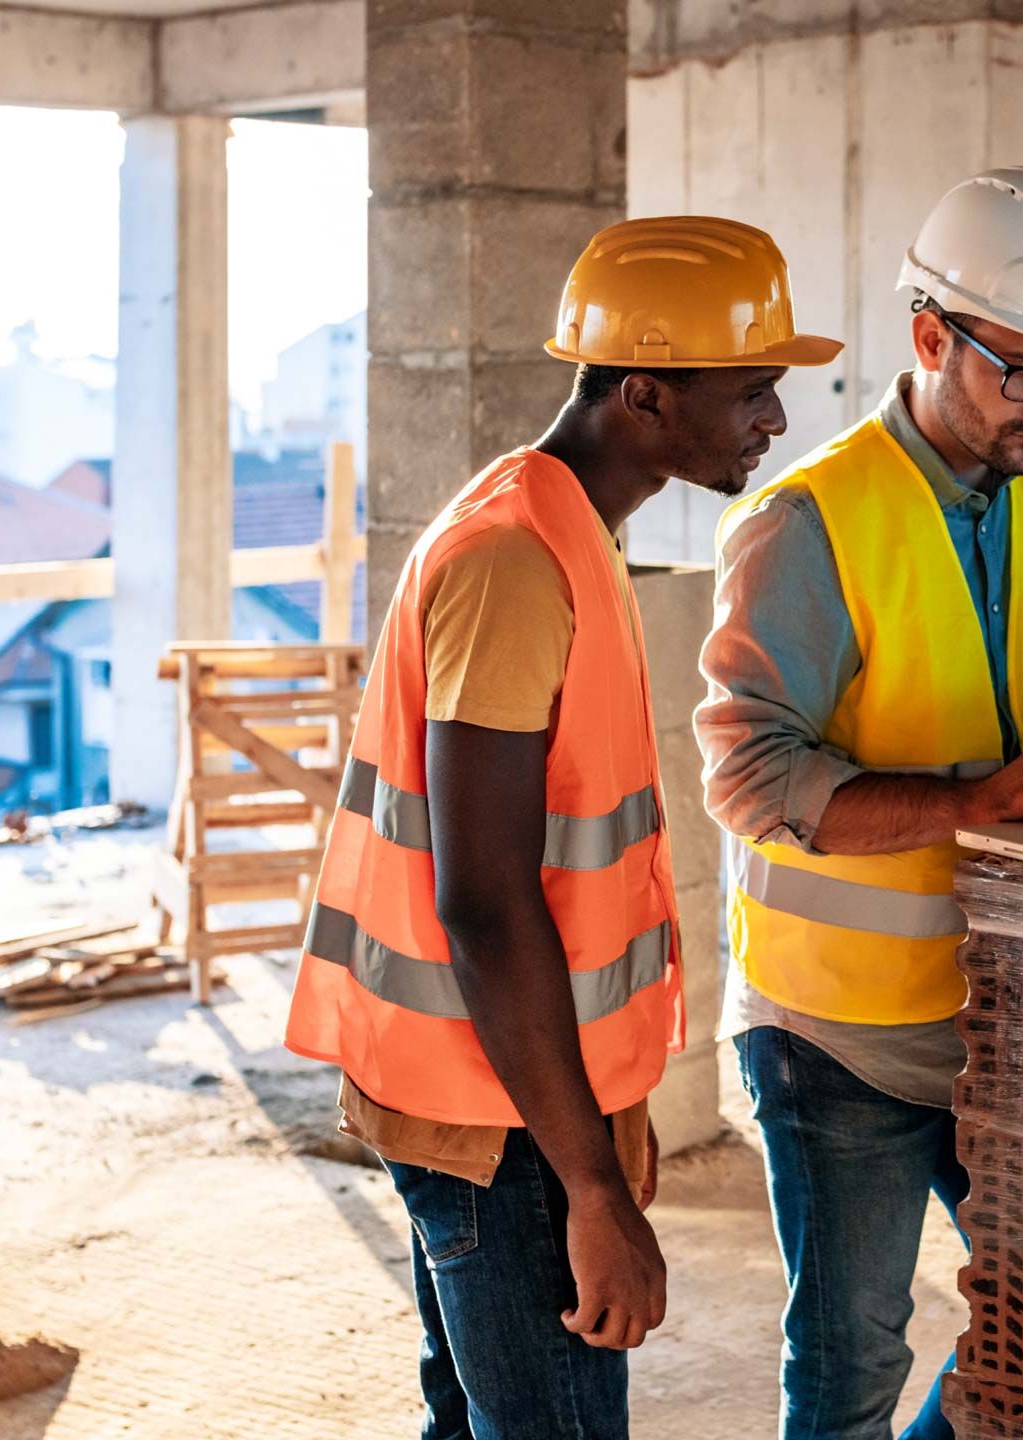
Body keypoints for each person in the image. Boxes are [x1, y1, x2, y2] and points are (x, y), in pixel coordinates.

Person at [285, 216, 839, 1440]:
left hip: (516, 1091)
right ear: (644, 390)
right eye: (752, 390)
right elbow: (483, 899)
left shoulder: (561, 531)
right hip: (498, 1121)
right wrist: (590, 1184)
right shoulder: (513, 563)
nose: (774, 420)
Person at [694, 166, 1023, 1440]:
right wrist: (971, 802)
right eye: (1022, 370)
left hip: (1020, 1010)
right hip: (841, 1033)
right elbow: (748, 772)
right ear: (927, 338)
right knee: (851, 1362)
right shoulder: (809, 523)